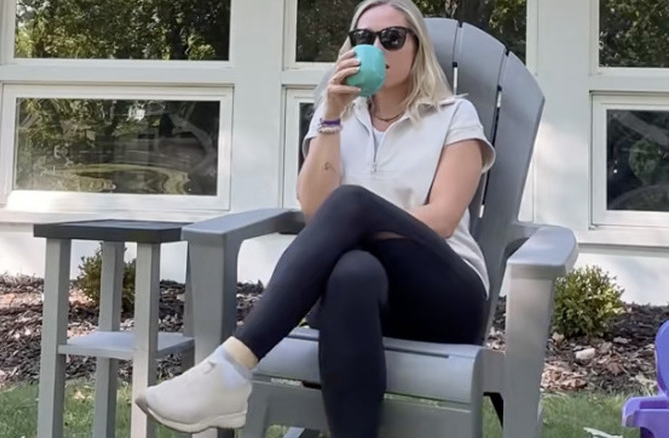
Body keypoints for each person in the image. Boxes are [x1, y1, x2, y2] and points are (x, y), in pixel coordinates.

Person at [135, 1, 496, 437]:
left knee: (350, 206)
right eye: (363, 39)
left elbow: (441, 218)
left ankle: (232, 366)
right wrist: (330, 117)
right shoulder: (336, 118)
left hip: (446, 297)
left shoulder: (455, 116)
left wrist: (361, 222)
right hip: (364, 295)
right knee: (351, 271)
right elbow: (314, 209)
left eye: (392, 38)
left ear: (418, 48)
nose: (377, 48)